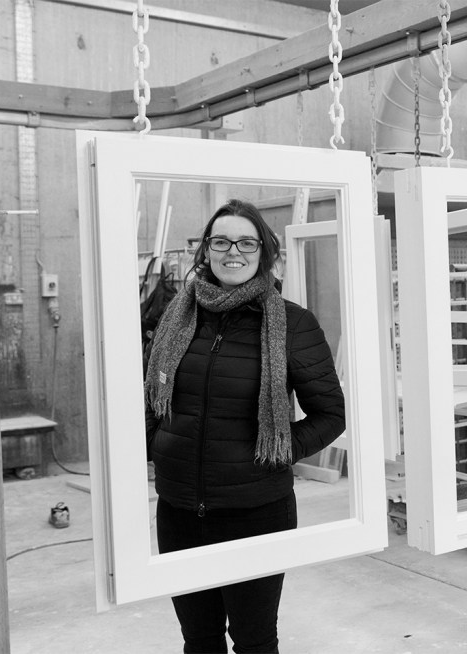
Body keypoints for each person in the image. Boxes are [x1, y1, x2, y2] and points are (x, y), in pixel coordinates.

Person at [144, 198, 345, 654]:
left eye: (246, 242)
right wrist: (160, 445)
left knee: (254, 642)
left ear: (263, 252)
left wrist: (272, 453)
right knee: (199, 640)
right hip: (178, 511)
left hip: (257, 513)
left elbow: (331, 415)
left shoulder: (293, 324)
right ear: (206, 251)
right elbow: (151, 397)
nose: (233, 251)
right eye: (221, 241)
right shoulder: (176, 318)